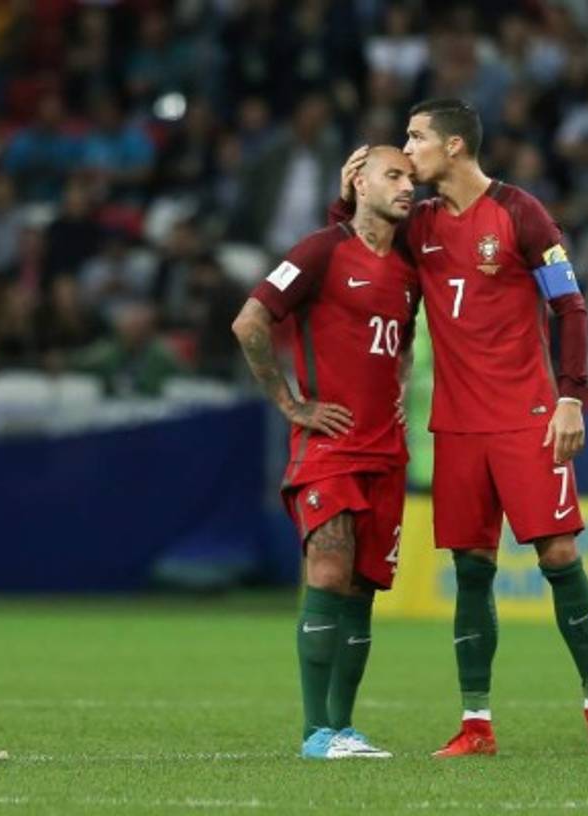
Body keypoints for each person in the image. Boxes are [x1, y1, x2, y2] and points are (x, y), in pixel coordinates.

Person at [334, 99, 588, 757]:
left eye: (415, 138)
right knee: (472, 570)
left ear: (455, 147)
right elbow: (360, 244)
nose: (407, 152)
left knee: (558, 557)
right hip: (459, 429)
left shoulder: (521, 213)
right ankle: (476, 725)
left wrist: (571, 398)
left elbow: (571, 306)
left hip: (528, 419)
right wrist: (345, 197)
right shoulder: (421, 224)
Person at [232, 146, 417, 760]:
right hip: (329, 447)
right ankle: (315, 733)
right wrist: (291, 404)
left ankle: (343, 728)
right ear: (359, 182)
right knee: (330, 569)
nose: (407, 185)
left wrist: (402, 388)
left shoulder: (411, 265)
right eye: (394, 174)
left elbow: (405, 342)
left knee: (363, 589)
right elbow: (249, 322)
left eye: (411, 177)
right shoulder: (319, 250)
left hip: (386, 452)